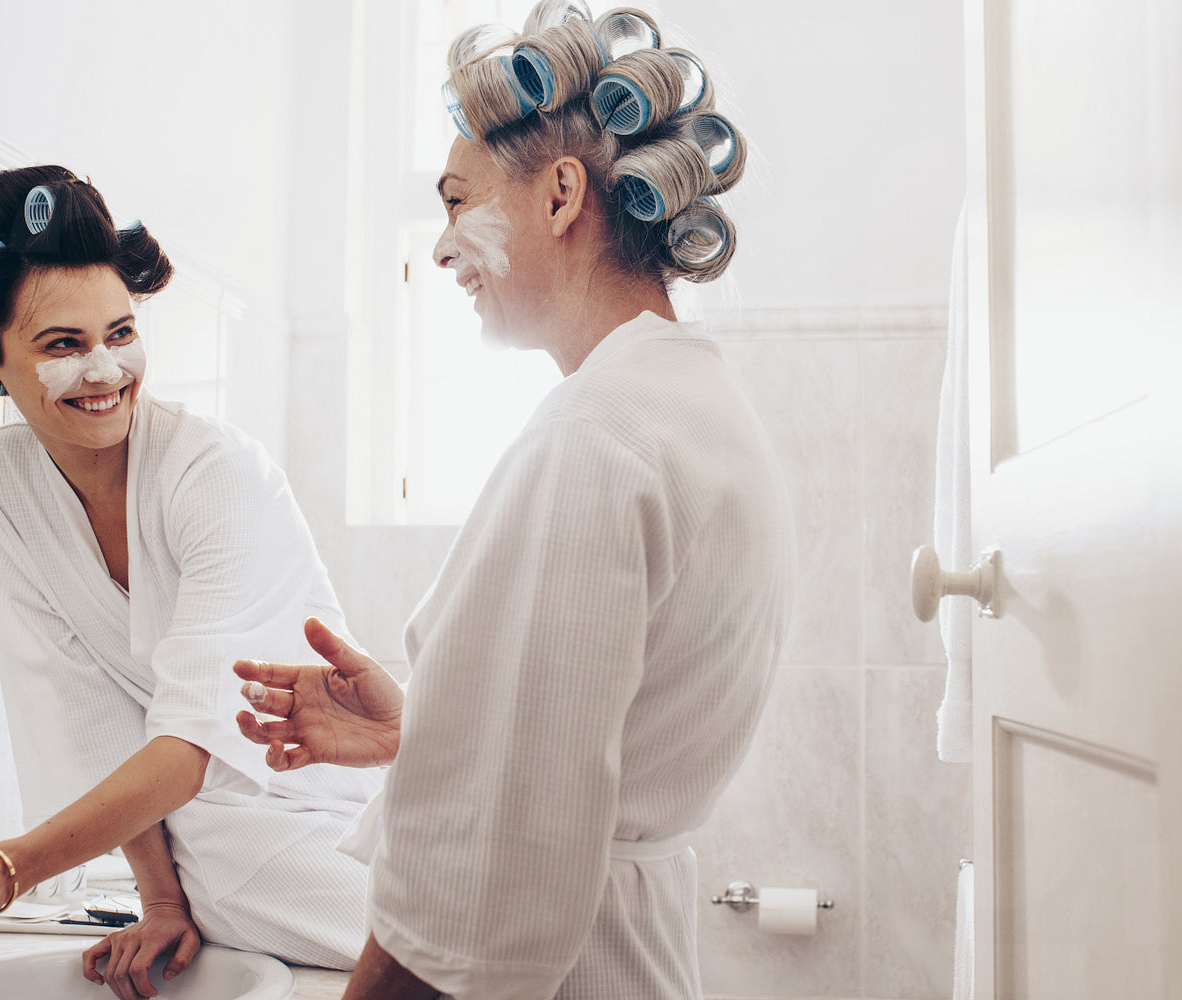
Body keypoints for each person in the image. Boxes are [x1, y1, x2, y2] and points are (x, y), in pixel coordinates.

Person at [234, 5, 795, 998]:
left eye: (458, 202)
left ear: (560, 195)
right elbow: (605, 735)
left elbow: (488, 870)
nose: (443, 250)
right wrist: (423, 728)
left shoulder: (596, 436)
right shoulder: (699, 404)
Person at [0, 165, 384, 998]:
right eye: (64, 345)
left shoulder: (213, 472)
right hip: (193, 854)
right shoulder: (4, 473)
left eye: (120, 333)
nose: (105, 370)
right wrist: (159, 899)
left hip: (316, 824)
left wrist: (12, 865)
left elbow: (190, 742)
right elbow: (80, 708)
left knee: (463, 949)